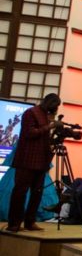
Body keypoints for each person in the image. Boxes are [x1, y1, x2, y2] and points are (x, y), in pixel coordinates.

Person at [4, 94, 63, 232]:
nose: (56, 109)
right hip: (26, 160)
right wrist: (50, 126)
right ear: (50, 103)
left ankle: (30, 222)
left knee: (37, 193)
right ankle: (14, 223)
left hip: (41, 161)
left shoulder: (46, 116)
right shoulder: (31, 113)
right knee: (20, 192)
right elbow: (30, 133)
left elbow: (43, 137)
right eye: (55, 105)